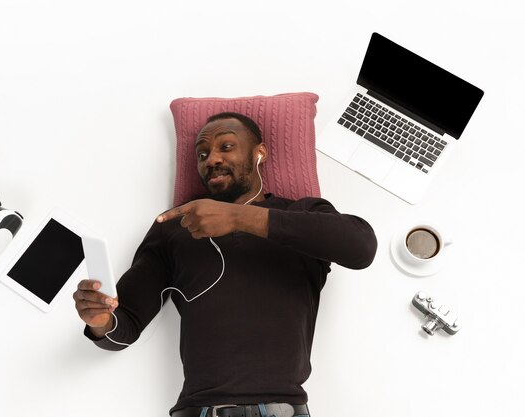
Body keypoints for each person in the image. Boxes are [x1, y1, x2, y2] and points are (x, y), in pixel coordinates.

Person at [73, 112, 377, 417]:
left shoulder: (302, 215)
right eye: (202, 154)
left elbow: (362, 247)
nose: (211, 159)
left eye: (226, 147)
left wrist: (237, 217)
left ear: (260, 152)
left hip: (284, 408)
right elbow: (124, 325)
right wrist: (100, 322)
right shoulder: (174, 227)